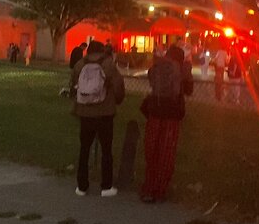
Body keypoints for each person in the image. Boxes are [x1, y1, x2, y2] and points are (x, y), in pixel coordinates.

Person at [69, 40, 126, 197]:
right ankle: (106, 187)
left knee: (84, 148)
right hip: (105, 112)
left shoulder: (80, 65)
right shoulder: (108, 64)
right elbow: (118, 85)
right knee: (106, 150)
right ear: (102, 50)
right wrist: (117, 100)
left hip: (85, 112)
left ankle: (82, 186)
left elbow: (73, 84)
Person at [139, 45, 194, 203]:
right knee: (166, 153)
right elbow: (189, 90)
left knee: (152, 151)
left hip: (155, 111)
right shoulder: (182, 68)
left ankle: (148, 188)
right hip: (172, 114)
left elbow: (151, 83)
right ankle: (160, 190)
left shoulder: (156, 66)